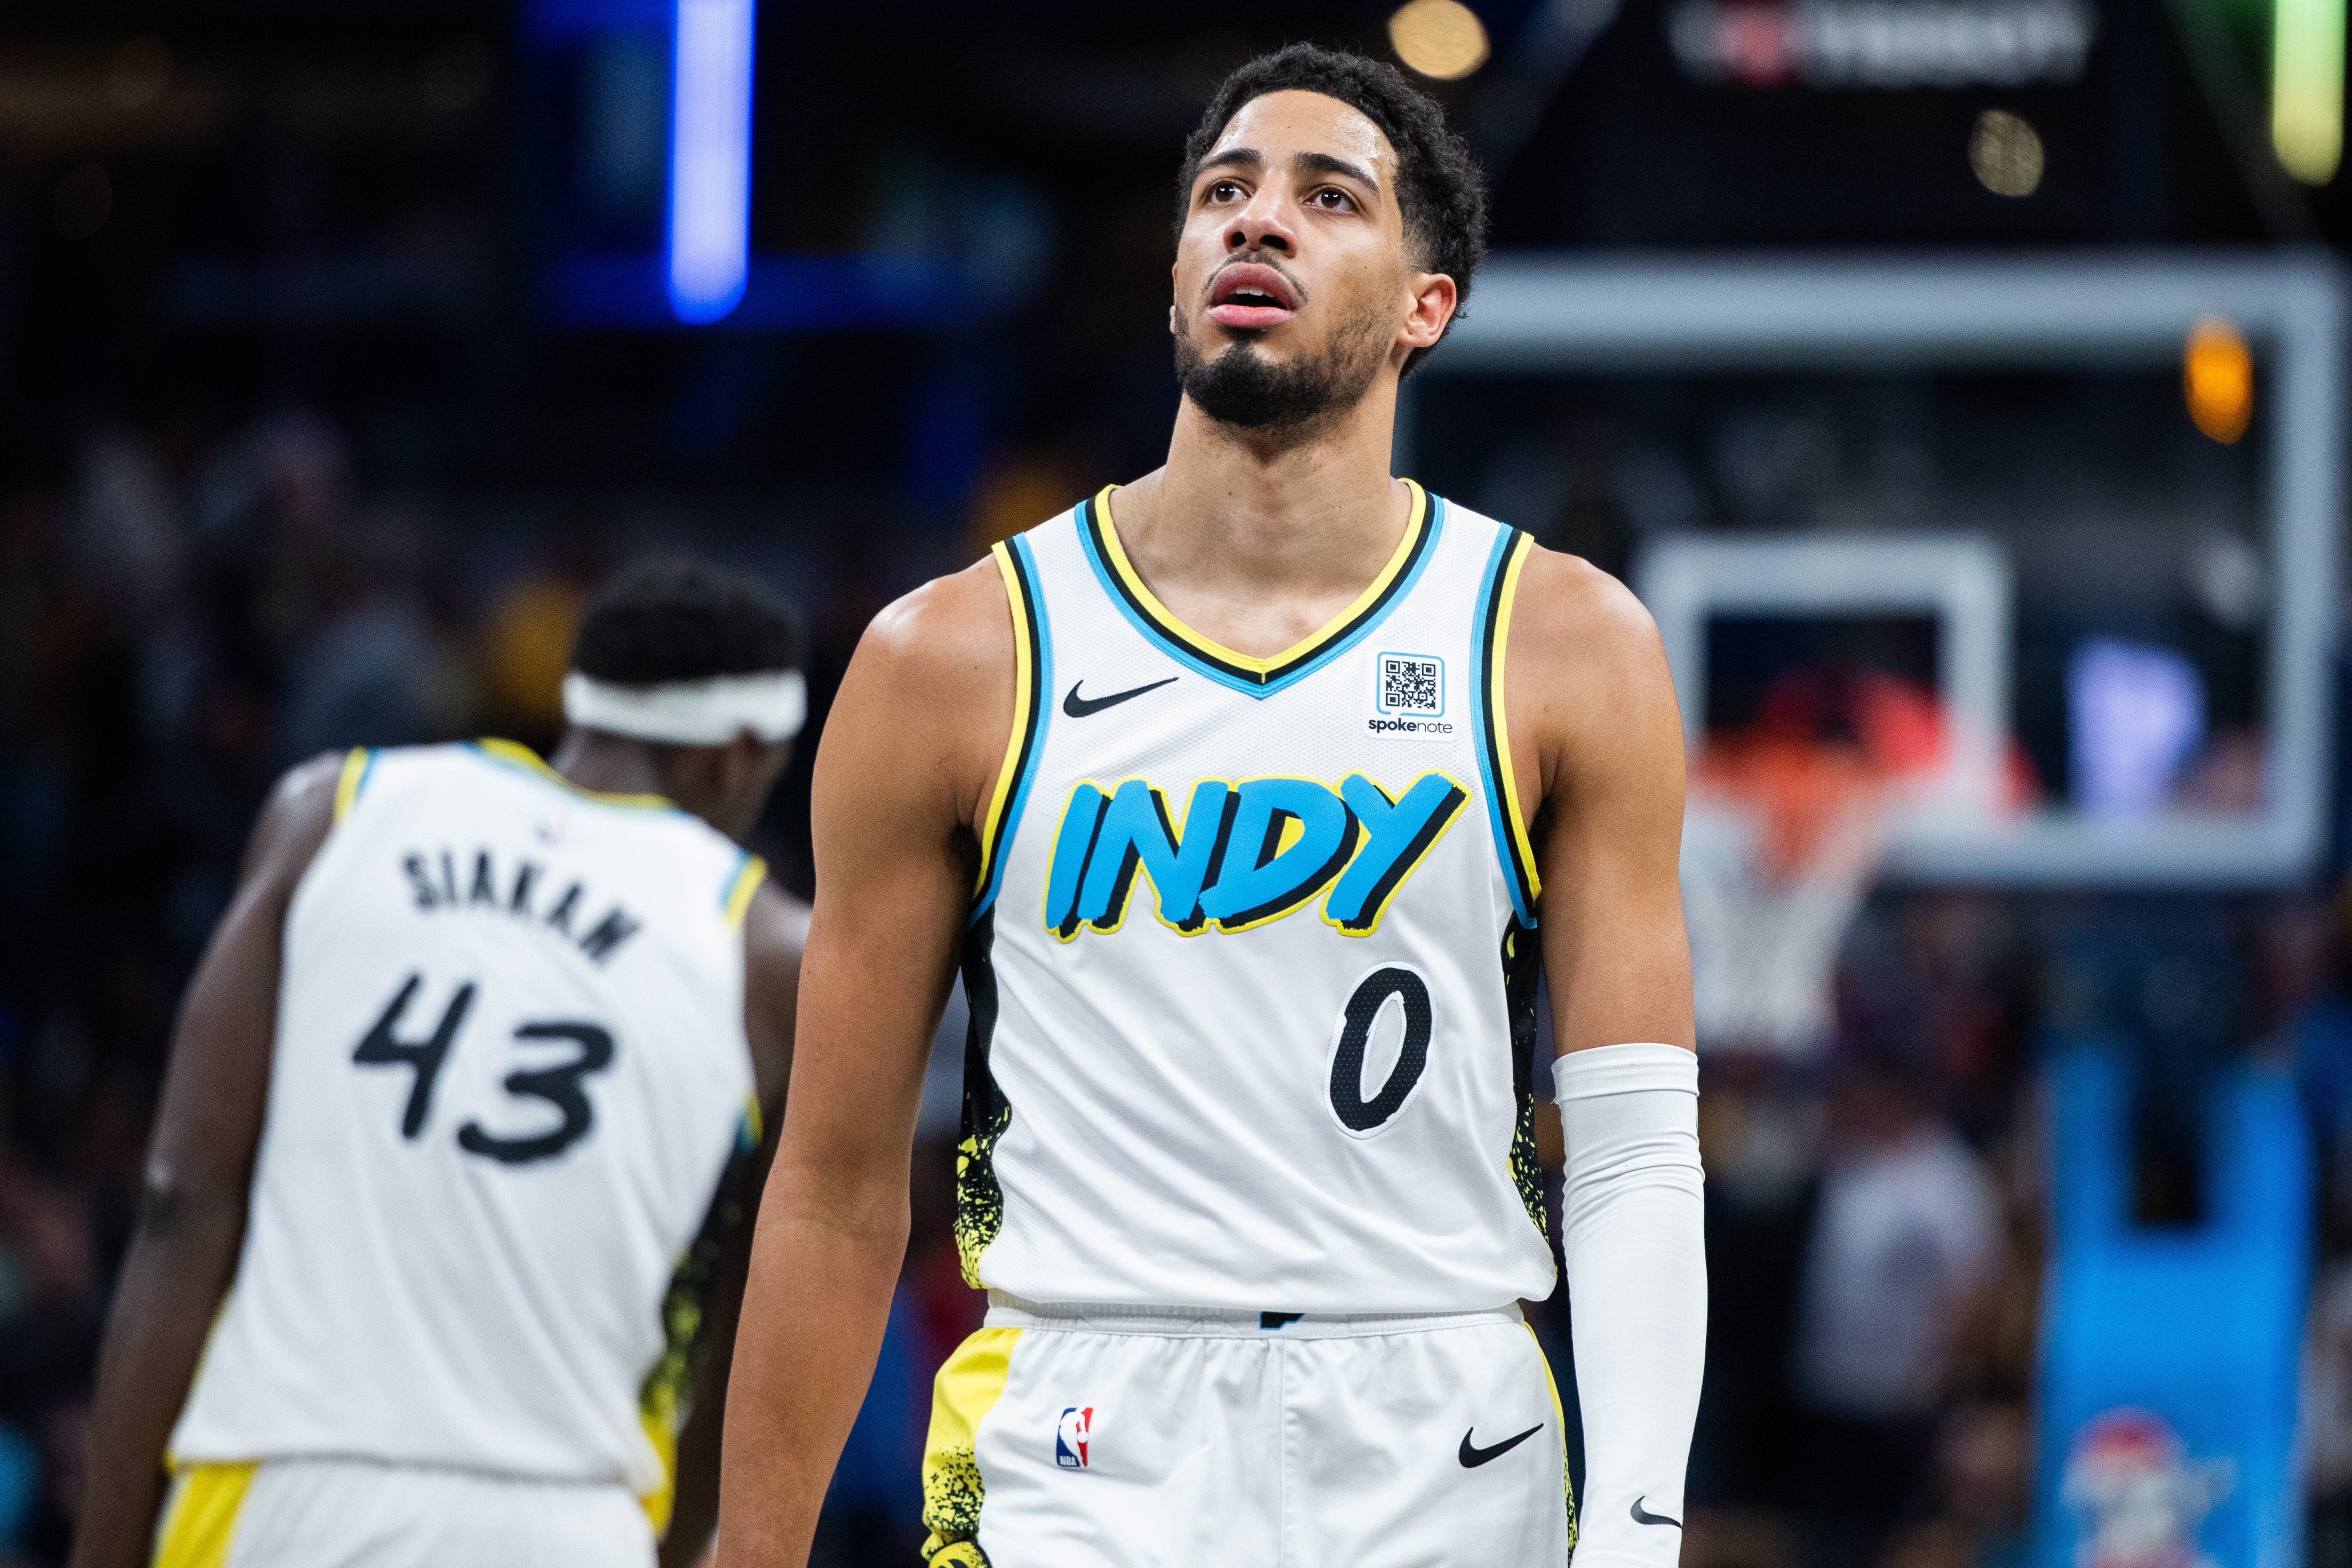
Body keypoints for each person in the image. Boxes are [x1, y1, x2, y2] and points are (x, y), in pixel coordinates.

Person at [719, 44, 1707, 1568]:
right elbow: (838, 1186)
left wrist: (1637, 1532)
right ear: (1177, 280)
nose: (1259, 219)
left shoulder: (1562, 643)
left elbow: (1634, 1155)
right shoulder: (951, 656)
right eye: (1225, 193)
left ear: (1425, 304)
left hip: (1442, 1416)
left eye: (1329, 197)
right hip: (1078, 1413)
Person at [71, 558, 809, 1568]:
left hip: (287, 1482)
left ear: (581, 703)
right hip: (571, 1518)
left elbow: (180, 1198)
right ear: (737, 756)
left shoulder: (334, 810)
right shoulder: (771, 953)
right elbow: (754, 1339)